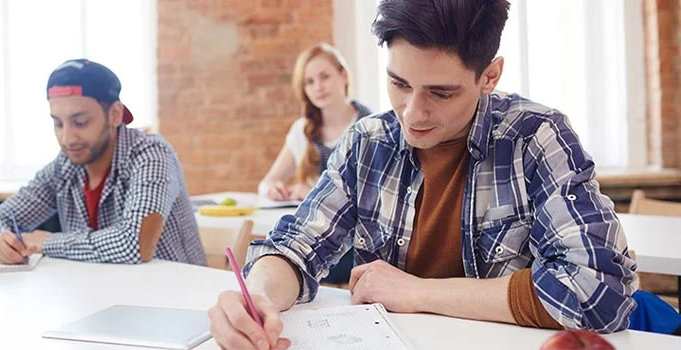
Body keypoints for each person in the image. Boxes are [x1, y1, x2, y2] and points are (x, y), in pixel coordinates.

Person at [207, 1, 638, 349]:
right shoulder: (368, 141)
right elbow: (297, 245)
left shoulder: (536, 138)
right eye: (399, 84)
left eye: (440, 92)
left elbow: (597, 290)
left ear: (490, 75)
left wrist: (417, 292)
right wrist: (258, 295)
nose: (412, 114)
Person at [0, 59, 205, 266]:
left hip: (171, 301)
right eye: (58, 123)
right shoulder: (65, 166)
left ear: (114, 114)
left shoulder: (151, 154)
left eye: (80, 122)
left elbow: (136, 245)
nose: (67, 138)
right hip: (100, 298)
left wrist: (47, 242)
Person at [258, 43, 372, 202]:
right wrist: (271, 189)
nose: (318, 87)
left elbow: (371, 200)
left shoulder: (371, 128)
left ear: (344, 75)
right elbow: (266, 183)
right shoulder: (302, 130)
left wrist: (314, 194)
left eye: (325, 77)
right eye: (309, 82)